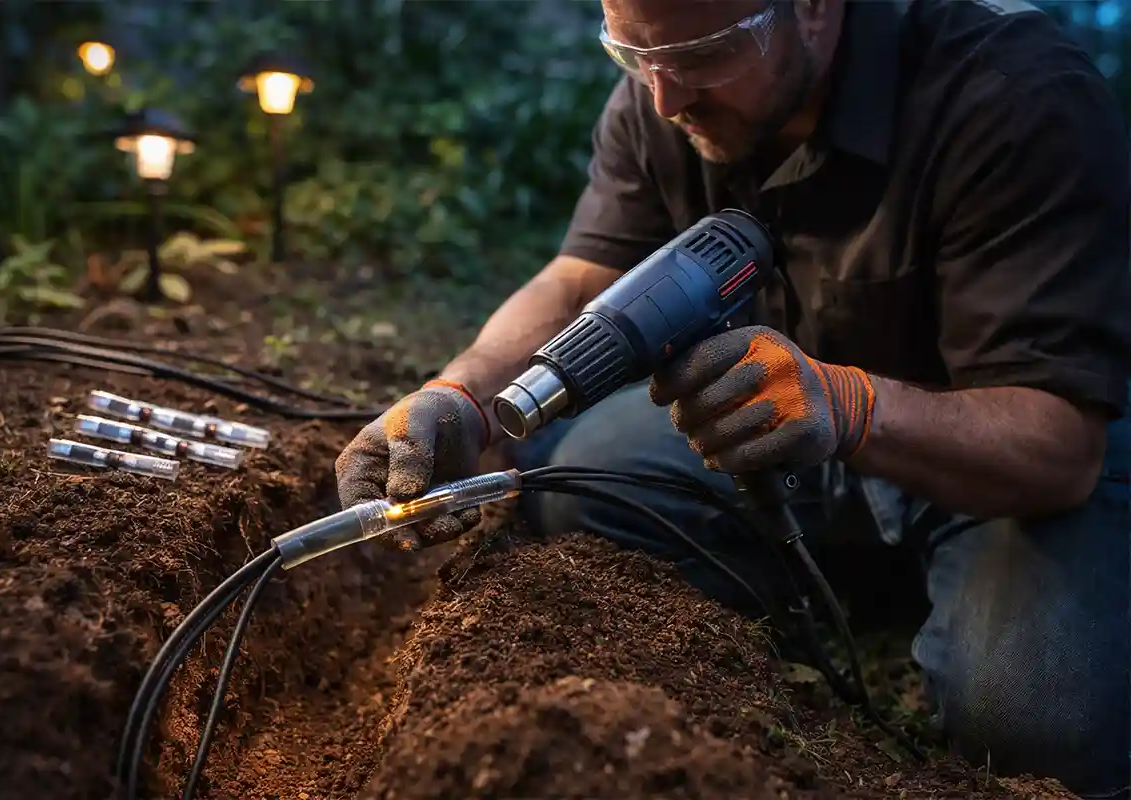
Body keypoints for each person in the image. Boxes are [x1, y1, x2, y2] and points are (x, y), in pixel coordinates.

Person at [334, 0, 1131, 796]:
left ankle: (925, 580)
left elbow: (1056, 450)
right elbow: (583, 275)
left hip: (998, 459)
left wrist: (849, 407)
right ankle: (858, 582)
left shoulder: (1013, 97)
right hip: (789, 425)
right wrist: (463, 394)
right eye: (633, 56)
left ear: (816, 10)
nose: (665, 99)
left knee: (1037, 727)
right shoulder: (666, 84)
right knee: (584, 490)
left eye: (703, 55)